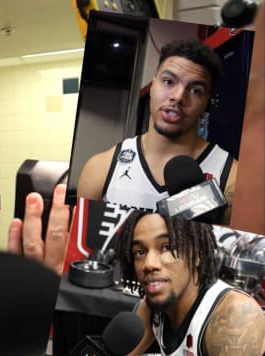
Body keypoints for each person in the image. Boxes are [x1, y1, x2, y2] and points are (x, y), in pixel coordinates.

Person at [56, 211, 265, 356]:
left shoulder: (236, 316)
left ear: (198, 254)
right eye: (140, 252)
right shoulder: (153, 306)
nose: (149, 264)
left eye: (166, 247)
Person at [77, 39, 237, 224]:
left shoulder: (233, 179)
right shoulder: (100, 168)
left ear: (206, 101)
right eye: (169, 81)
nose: (178, 97)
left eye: (195, 90)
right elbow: (81, 245)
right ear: (153, 86)